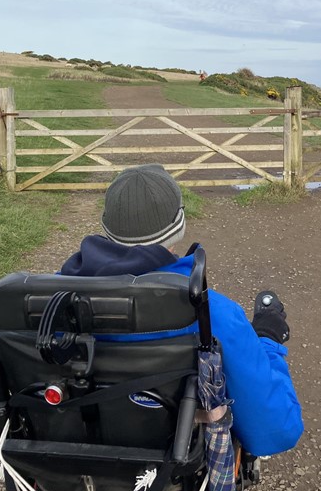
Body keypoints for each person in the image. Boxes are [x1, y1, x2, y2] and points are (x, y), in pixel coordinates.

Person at [59, 164, 303, 457]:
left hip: (72, 451)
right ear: (178, 226)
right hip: (171, 464)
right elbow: (277, 432)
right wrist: (267, 340)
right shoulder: (211, 314)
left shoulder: (48, 305)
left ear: (106, 226)